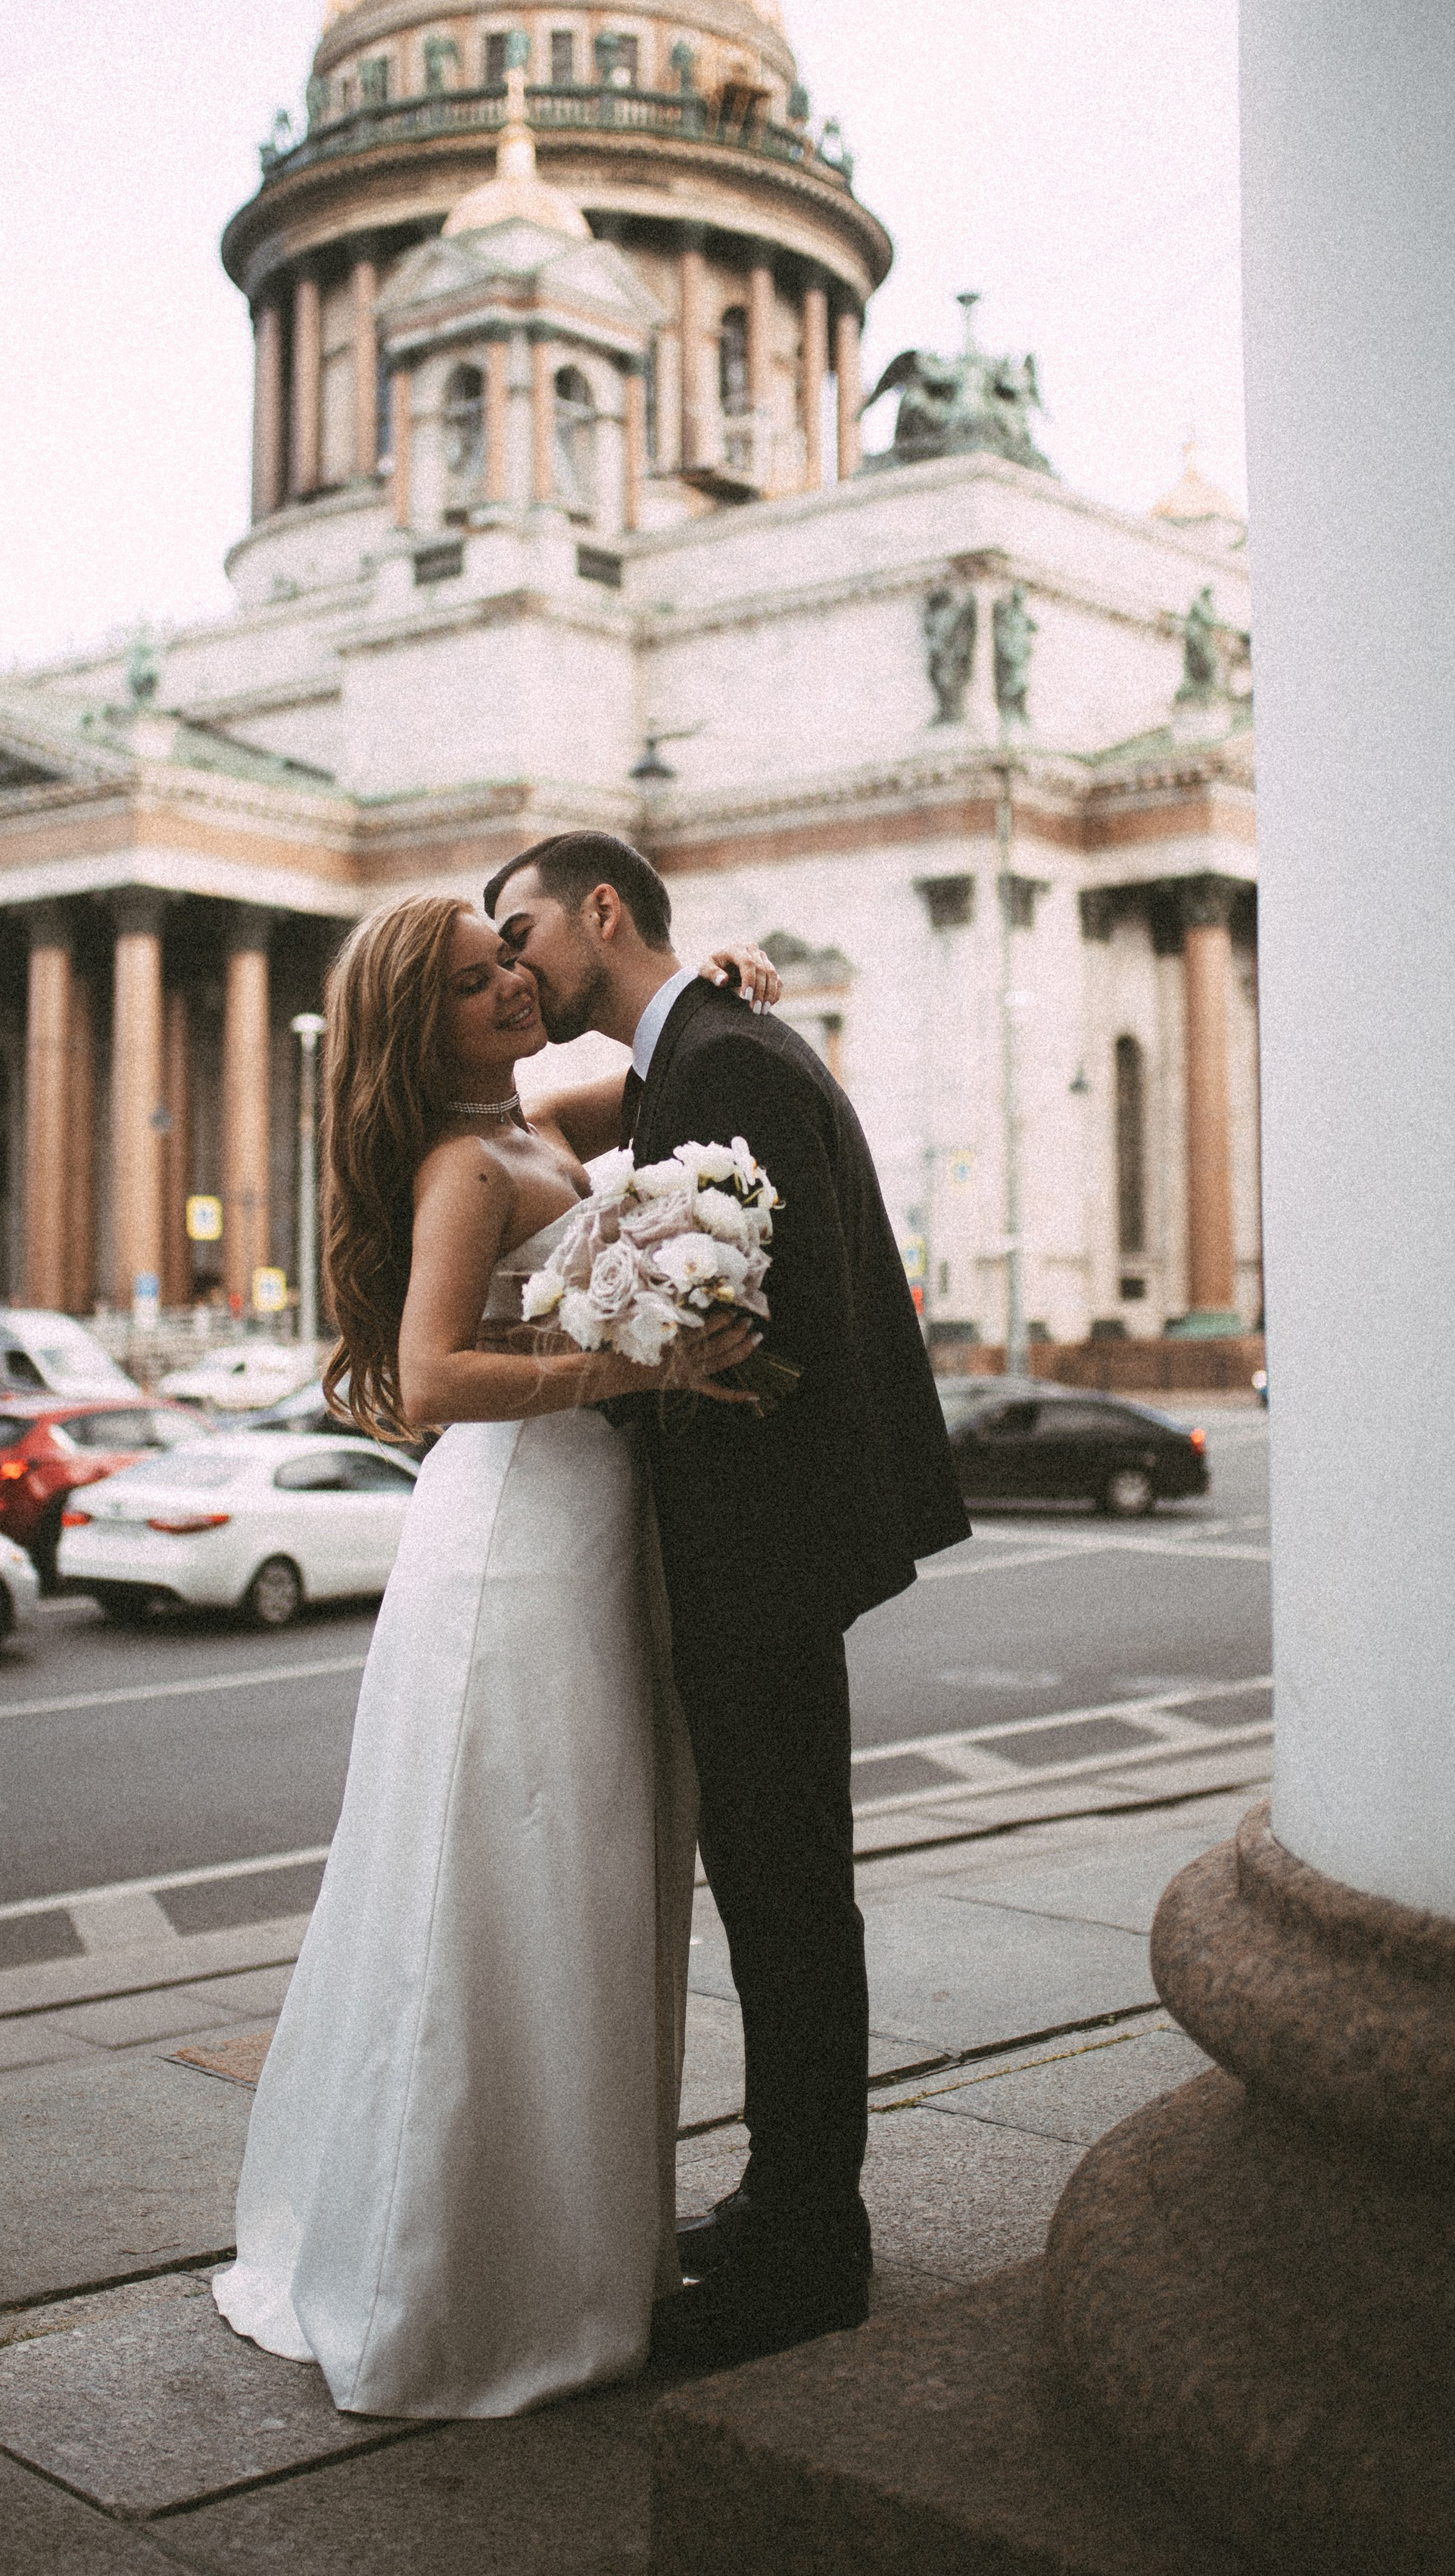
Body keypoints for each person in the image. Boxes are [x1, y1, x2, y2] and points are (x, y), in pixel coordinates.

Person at [213, 892, 778, 2417]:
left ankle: (560, 2252)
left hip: (585, 1532)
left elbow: (655, 1059)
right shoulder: (467, 1163)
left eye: (505, 961)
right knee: (507, 1875)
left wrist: (704, 975)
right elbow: (426, 1378)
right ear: (421, 1022)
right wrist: (633, 1361)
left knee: (579, 1872)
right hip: (513, 1536)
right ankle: (456, 2284)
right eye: (473, 984)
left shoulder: (531, 1121)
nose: (510, 987)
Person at [488, 831, 971, 2372]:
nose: (511, 964)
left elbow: (777, 1323)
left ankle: (810, 2241)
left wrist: (623, 1388)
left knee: (783, 1895)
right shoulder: (694, 1047)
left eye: (521, 930)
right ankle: (784, 2201)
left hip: (758, 1544)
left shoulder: (721, 1060)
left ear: (600, 908)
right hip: (753, 1542)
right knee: (771, 1889)